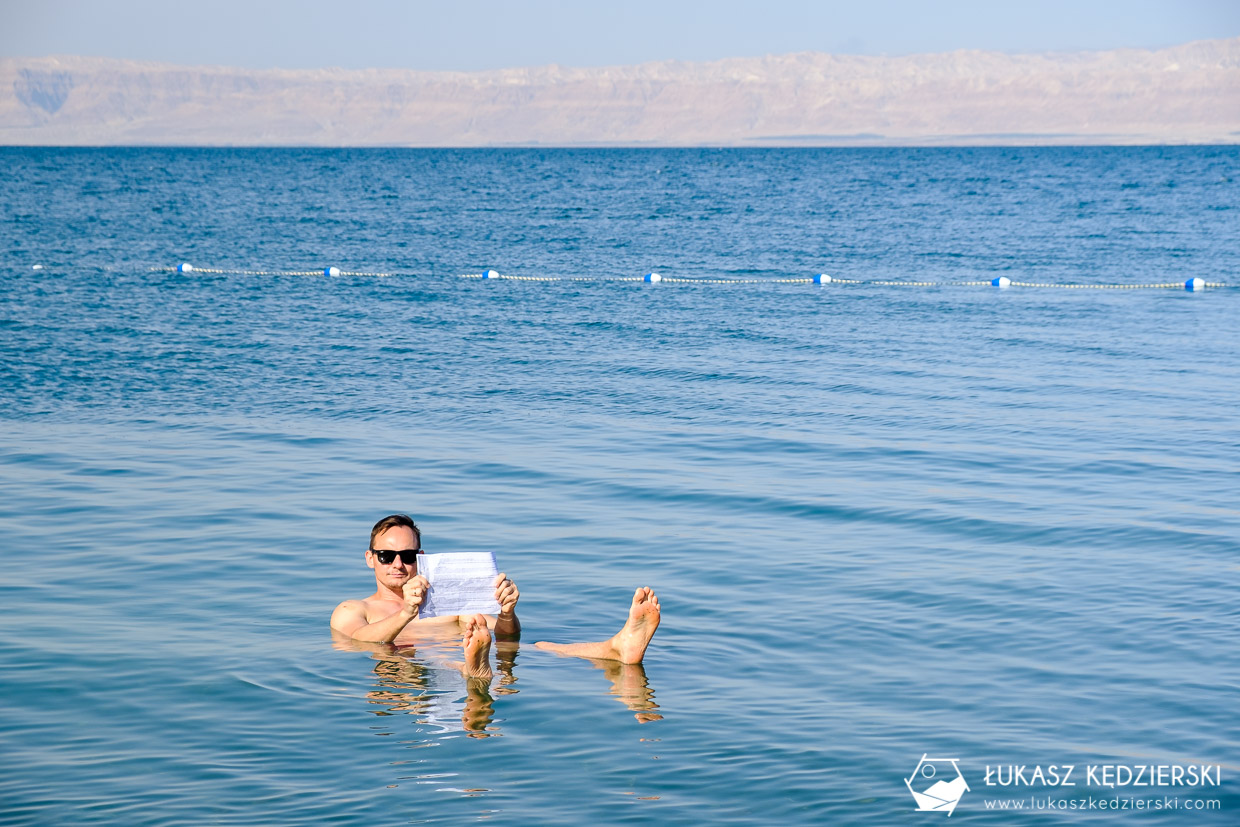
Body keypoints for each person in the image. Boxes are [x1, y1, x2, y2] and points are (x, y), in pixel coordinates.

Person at [331, 514, 661, 679]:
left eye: (408, 555)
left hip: (476, 654)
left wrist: (506, 612)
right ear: (369, 558)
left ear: (421, 556)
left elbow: (508, 638)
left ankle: (616, 648)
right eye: (387, 556)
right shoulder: (354, 608)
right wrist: (406, 613)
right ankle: (473, 669)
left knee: (538, 646)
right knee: (418, 659)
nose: (399, 564)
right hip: (413, 667)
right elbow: (361, 642)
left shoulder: (444, 596)